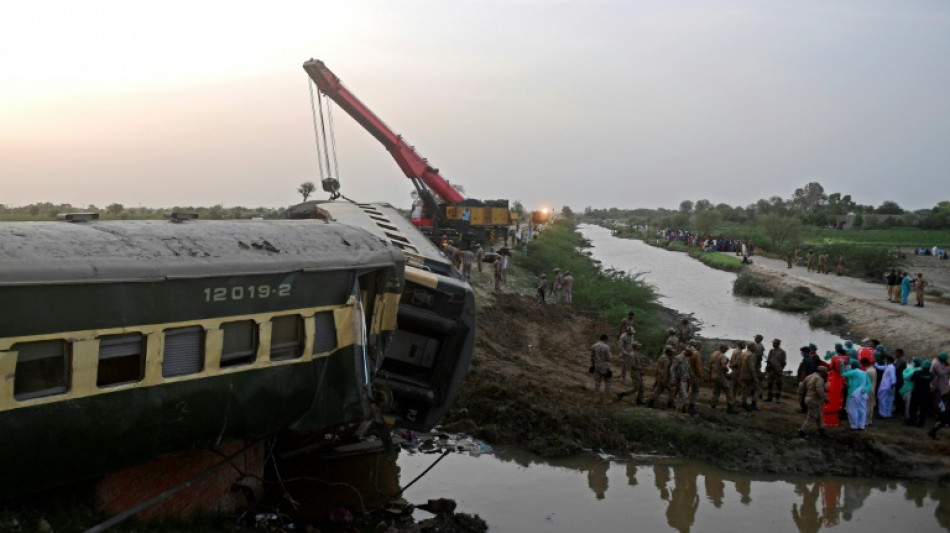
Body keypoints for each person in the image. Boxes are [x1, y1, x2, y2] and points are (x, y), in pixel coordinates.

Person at [798, 366, 831, 439]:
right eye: (825, 373)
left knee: (819, 417)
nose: (825, 375)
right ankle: (802, 432)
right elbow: (819, 390)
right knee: (811, 417)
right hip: (814, 400)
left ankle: (822, 433)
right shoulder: (819, 379)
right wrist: (826, 398)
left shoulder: (809, 376)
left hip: (808, 398)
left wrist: (800, 396)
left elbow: (801, 387)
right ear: (821, 372)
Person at [823, 346, 849, 428]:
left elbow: (831, 367)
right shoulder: (847, 363)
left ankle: (830, 419)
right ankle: (838, 419)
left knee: (831, 400)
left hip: (835, 385)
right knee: (841, 401)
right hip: (843, 385)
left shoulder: (835, 365)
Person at [709, 344, 739, 414]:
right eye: (726, 349)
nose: (726, 351)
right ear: (722, 348)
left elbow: (710, 365)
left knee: (716, 391)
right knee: (728, 389)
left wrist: (710, 375)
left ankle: (713, 405)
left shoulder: (714, 353)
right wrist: (727, 370)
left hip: (714, 375)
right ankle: (730, 407)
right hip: (720, 376)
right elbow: (723, 366)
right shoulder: (722, 356)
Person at [842, 360, 871, 430]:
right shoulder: (864, 373)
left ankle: (854, 425)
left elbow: (842, 374)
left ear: (852, 366)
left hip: (854, 393)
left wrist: (841, 364)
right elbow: (869, 384)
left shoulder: (854, 372)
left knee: (852, 409)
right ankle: (861, 426)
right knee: (862, 410)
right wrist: (865, 389)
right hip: (863, 393)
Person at [908, 360, 934, 426]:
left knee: (913, 407)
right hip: (926, 392)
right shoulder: (931, 375)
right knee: (923, 409)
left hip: (916, 391)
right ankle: (921, 423)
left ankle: (912, 421)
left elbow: (912, 379)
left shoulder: (917, 373)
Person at [670, 346, 691, 413]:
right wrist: (674, 378)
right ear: (687, 351)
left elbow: (687, 370)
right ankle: (678, 410)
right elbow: (672, 369)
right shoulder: (678, 358)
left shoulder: (687, 359)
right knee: (685, 396)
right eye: (690, 352)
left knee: (681, 396)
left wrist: (689, 378)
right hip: (679, 379)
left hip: (684, 380)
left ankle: (678, 411)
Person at [765, 339, 787, 403]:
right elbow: (768, 360)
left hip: (778, 371)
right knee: (769, 384)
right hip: (771, 370)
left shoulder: (782, 352)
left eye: (774, 343)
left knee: (778, 385)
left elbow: (784, 362)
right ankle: (769, 397)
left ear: (778, 344)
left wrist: (780, 369)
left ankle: (778, 399)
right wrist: (768, 367)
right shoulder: (771, 351)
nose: (773, 344)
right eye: (773, 343)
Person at [686, 340, 705, 415]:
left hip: (686, 373)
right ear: (698, 346)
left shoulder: (686, 352)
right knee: (696, 391)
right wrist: (701, 376)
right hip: (694, 374)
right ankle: (691, 407)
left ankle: (683, 406)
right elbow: (698, 367)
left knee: (686, 390)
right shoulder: (696, 354)